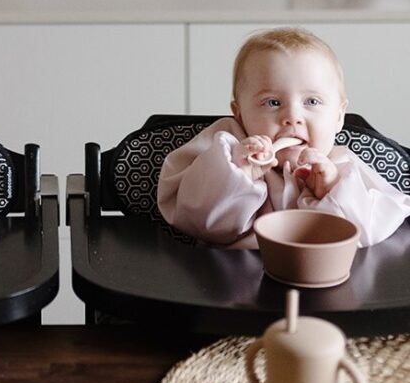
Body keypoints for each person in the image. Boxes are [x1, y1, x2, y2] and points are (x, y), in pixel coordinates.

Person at [157, 27, 410, 248]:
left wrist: (331, 191)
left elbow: (365, 234)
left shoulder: (342, 166)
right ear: (240, 114)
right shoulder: (226, 146)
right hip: (235, 280)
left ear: (339, 117)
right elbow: (200, 222)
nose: (292, 117)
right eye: (273, 102)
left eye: (312, 101)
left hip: (322, 281)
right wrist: (237, 173)